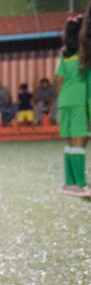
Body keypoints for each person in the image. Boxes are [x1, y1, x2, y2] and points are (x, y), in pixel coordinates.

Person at [54, 13, 89, 196]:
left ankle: (69, 183)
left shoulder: (64, 52)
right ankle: (81, 185)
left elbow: (59, 79)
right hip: (80, 99)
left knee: (71, 142)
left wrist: (63, 98)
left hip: (66, 99)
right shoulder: (86, 54)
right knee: (80, 140)